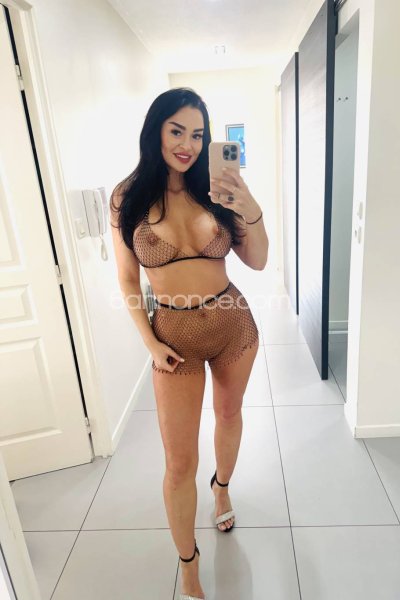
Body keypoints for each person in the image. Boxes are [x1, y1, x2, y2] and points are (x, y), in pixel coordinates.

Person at [110, 87, 268, 600]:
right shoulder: (127, 197)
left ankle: (221, 489)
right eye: (176, 130)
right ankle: (188, 564)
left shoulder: (216, 188)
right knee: (179, 463)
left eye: (198, 135)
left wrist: (250, 207)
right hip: (173, 338)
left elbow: (258, 261)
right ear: (155, 130)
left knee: (229, 414)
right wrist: (149, 343)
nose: (188, 145)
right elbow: (128, 280)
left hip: (232, 325)